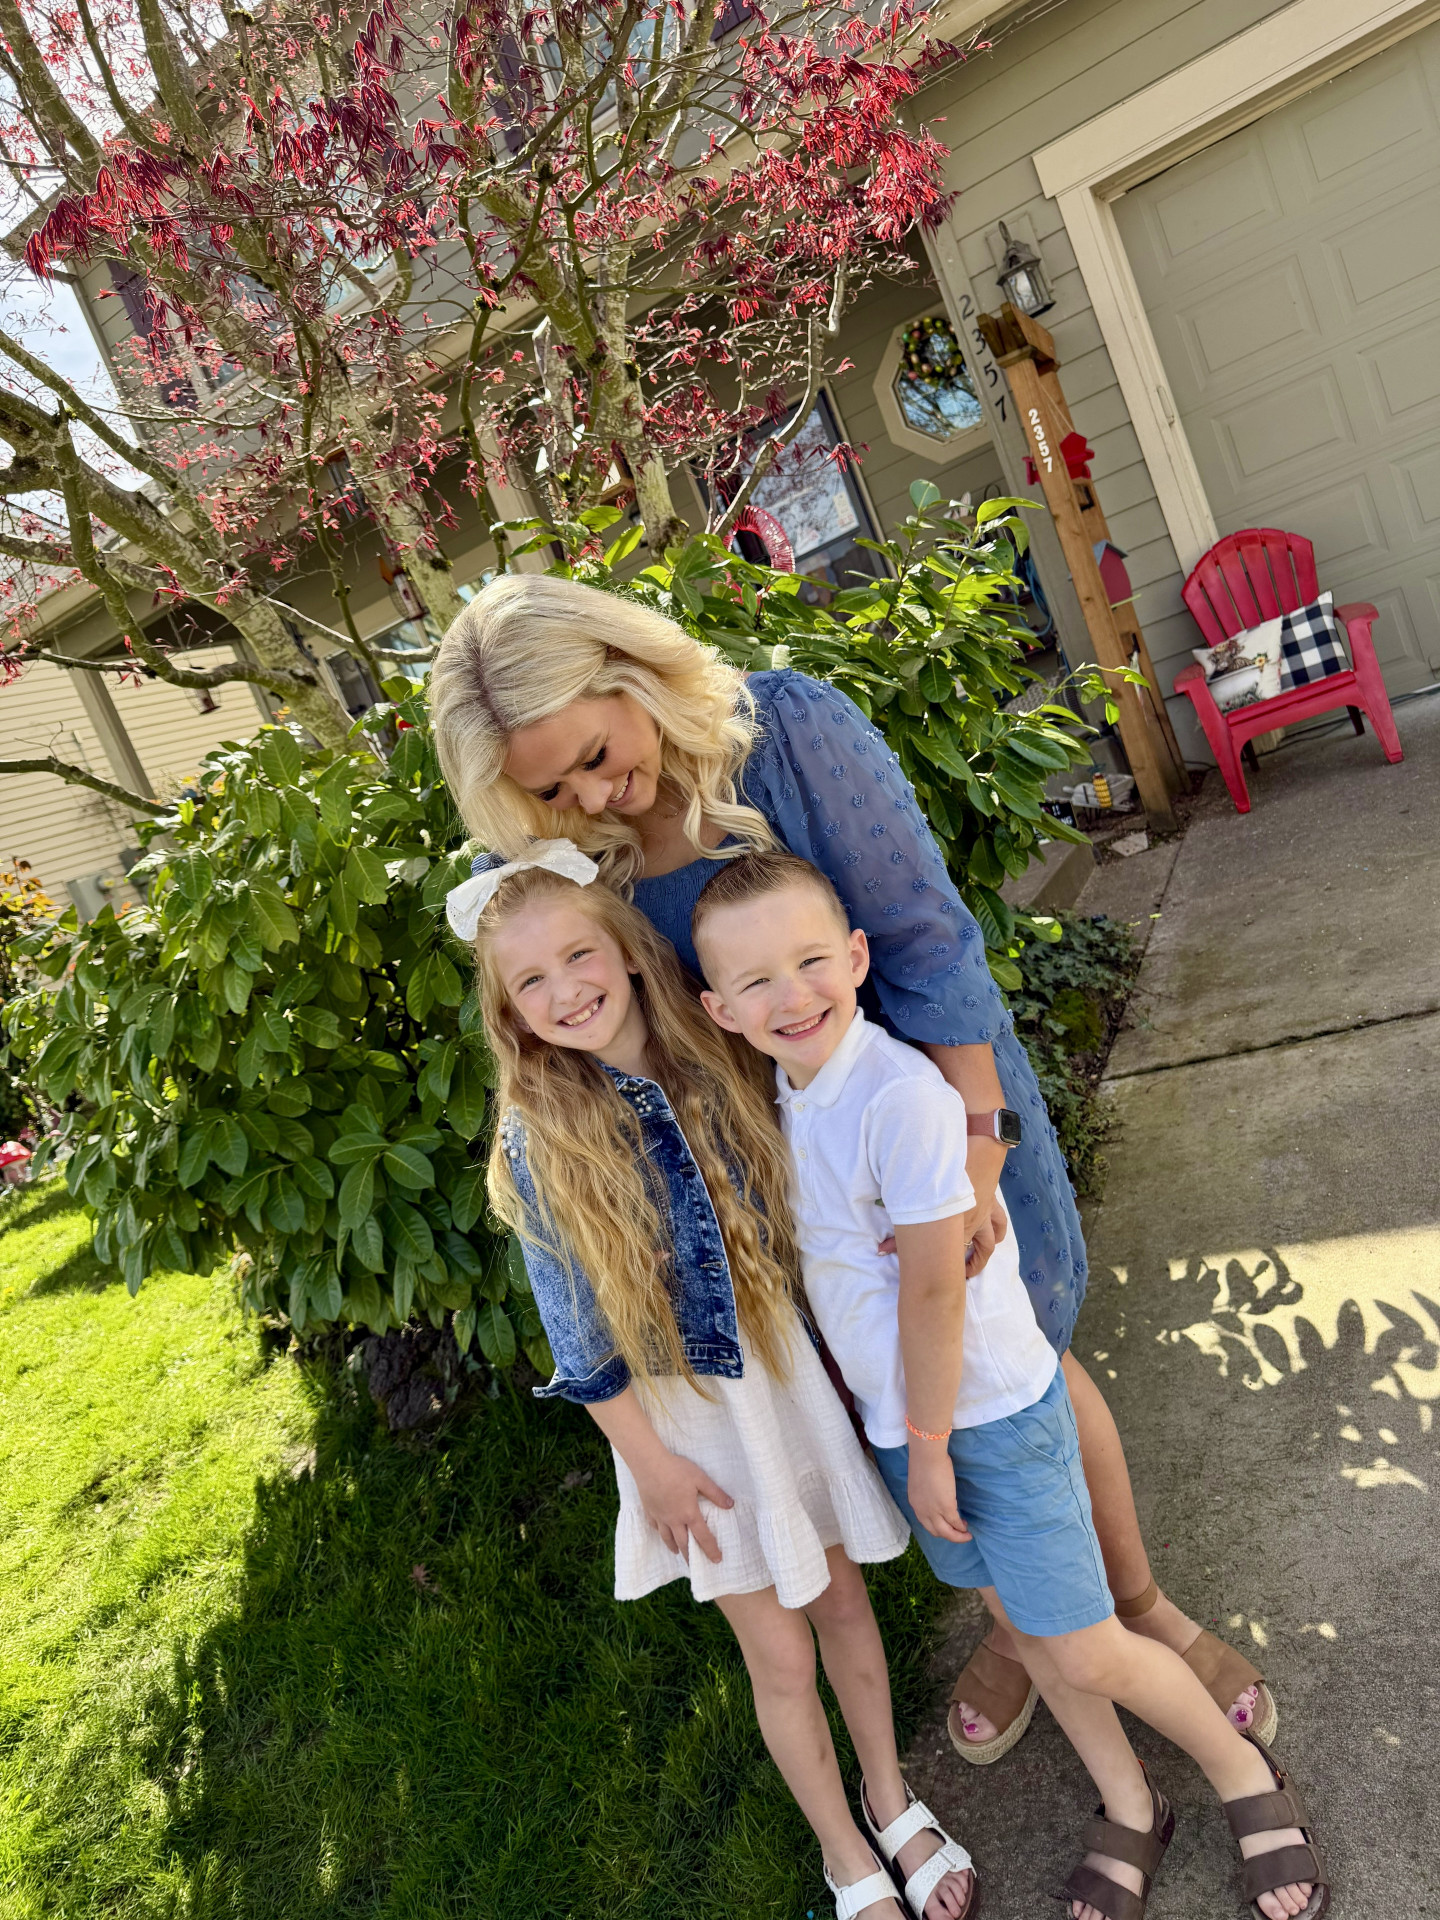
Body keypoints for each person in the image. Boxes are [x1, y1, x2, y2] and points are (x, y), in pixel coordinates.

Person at [429, 572, 1275, 1760]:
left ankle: (1136, 1608)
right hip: (786, 1186)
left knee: (1018, 1360)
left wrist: (976, 1152)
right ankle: (1025, 1628)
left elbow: (927, 942)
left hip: (930, 1113)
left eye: (596, 757)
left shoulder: (785, 733)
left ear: (628, 674)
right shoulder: (571, 856)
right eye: (551, 790)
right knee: (892, 1397)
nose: (590, 797)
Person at [688, 847, 1328, 1920]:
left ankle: (1243, 1776)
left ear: (856, 958)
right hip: (912, 1426)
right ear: (718, 1009)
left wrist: (929, 1445)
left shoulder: (896, 1097)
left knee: (1088, 1644)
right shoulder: (790, 1101)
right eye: (755, 981)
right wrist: (903, 1434)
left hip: (983, 1418)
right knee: (1031, 1632)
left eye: (810, 961)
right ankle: (1131, 1802)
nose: (790, 995)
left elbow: (936, 1287)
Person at [459, 843, 977, 1920]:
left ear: (626, 950)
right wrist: (650, 1470)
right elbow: (578, 1338)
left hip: (785, 1373)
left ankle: (889, 1798)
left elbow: (822, 1154)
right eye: (531, 981)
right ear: (508, 1012)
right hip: (688, 1422)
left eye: (578, 955)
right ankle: (844, 1854)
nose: (567, 990)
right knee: (778, 1653)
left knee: (842, 1605)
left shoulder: (718, 1046)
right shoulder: (540, 1134)